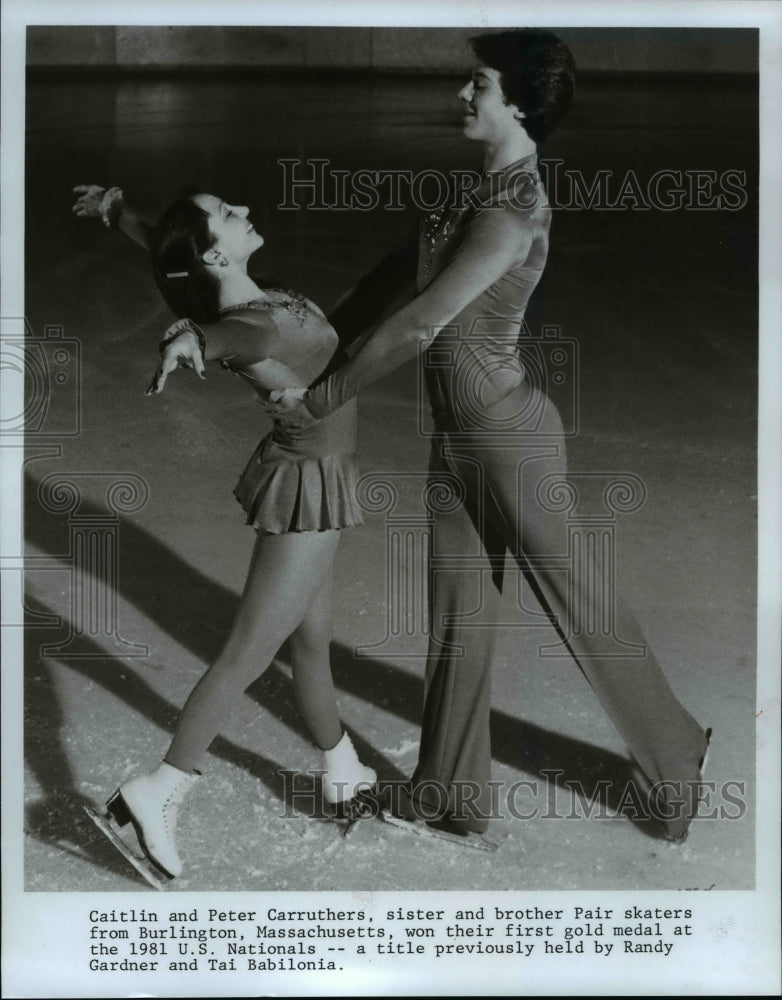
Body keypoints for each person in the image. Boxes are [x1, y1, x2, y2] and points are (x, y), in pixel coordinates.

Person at [256, 28, 711, 844]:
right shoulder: (467, 197)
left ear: (522, 103)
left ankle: (677, 752)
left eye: (479, 84)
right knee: (459, 612)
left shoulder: (515, 206)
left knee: (581, 606)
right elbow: (375, 295)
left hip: (510, 435)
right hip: (457, 439)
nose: (461, 97)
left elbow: (422, 325)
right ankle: (449, 792)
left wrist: (323, 397)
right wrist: (275, 328)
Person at [72, 186, 377, 887]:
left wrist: (121, 212)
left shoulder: (250, 289)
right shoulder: (250, 325)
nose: (244, 207)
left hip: (320, 478)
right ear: (216, 252)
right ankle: (158, 790)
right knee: (248, 653)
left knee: (308, 642)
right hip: (308, 488)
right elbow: (225, 337)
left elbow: (168, 242)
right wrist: (188, 339)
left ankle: (342, 769)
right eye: (230, 214)